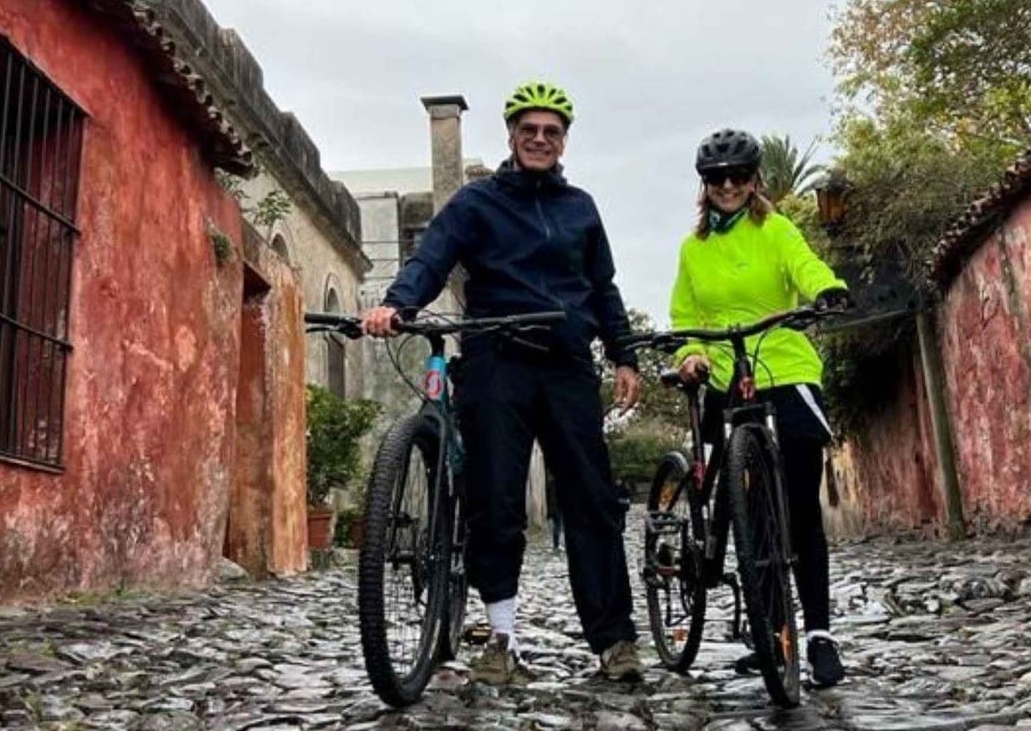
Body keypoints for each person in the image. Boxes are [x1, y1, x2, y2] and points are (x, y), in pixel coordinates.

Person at [362, 81, 644, 686]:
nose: (540, 139)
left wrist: (624, 355)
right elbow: (431, 257)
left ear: (564, 140)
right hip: (497, 360)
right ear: (511, 136)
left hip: (568, 364)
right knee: (496, 502)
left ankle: (614, 643)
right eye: (529, 130)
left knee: (592, 504)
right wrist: (396, 305)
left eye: (552, 131)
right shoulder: (475, 204)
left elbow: (604, 288)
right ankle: (502, 637)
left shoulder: (582, 209)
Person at [667, 128, 850, 688]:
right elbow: (683, 314)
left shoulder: (776, 228)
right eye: (717, 179)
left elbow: (804, 265)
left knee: (797, 508)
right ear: (705, 186)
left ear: (754, 181)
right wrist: (693, 353)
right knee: (749, 510)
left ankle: (816, 634)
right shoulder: (693, 249)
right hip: (726, 375)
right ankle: (772, 632)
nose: (728, 186)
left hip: (786, 367)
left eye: (739, 177)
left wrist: (826, 289)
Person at [545, 471, 563, 553]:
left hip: (551, 508)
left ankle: (555, 544)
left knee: (556, 526)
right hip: (557, 508)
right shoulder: (557, 485)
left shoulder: (549, 484)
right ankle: (556, 544)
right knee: (557, 526)